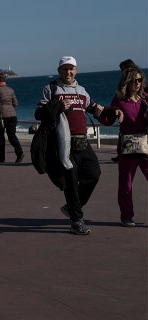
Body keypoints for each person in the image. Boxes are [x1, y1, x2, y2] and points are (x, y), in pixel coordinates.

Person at [35, 56, 105, 235]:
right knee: (71, 182)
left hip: (82, 141)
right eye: (65, 69)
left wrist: (109, 110)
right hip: (62, 143)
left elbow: (91, 107)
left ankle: (73, 207)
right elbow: (39, 113)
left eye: (71, 68)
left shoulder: (82, 90)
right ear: (59, 71)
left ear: (76, 70)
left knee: (94, 174)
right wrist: (57, 105)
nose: (68, 72)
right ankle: (77, 220)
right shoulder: (50, 89)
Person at [96, 66, 147, 227]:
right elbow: (108, 120)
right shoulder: (119, 99)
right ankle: (127, 216)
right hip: (128, 146)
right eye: (134, 80)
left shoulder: (146, 98)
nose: (137, 83)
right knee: (126, 183)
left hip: (146, 145)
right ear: (127, 80)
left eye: (140, 80)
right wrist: (102, 113)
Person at [0, 72, 24, 163]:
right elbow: (15, 103)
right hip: (13, 115)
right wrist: (10, 110)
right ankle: (19, 152)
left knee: (0, 137)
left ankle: (1, 158)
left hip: (1, 116)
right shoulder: (11, 89)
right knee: (12, 135)